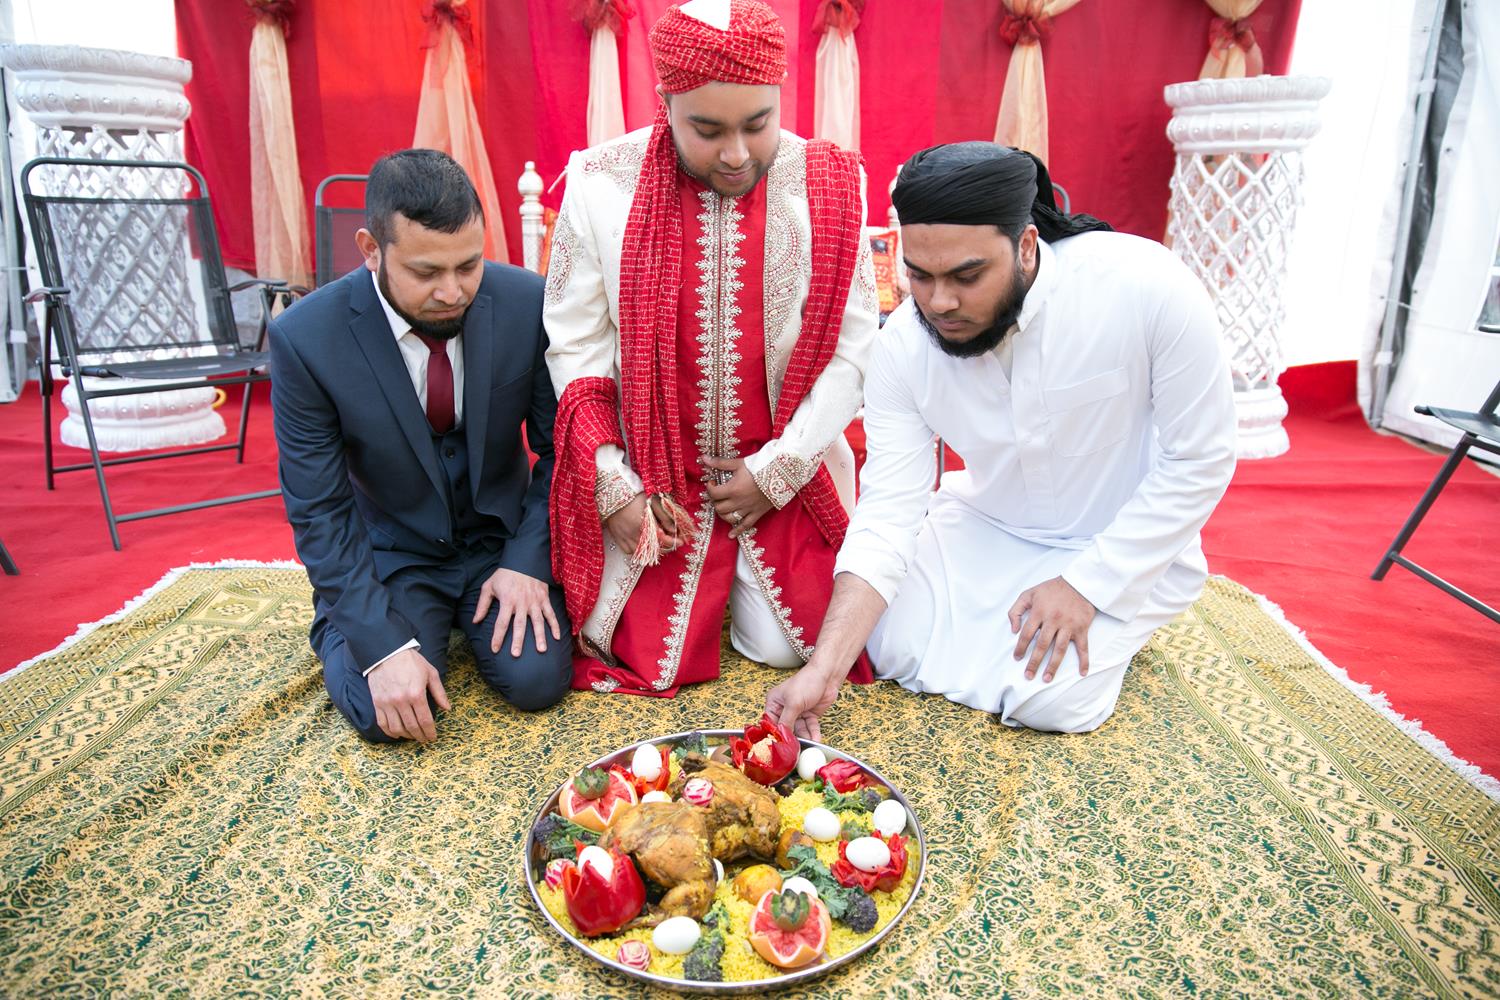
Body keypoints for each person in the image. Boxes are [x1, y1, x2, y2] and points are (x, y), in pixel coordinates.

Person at [765, 141, 1238, 739]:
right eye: (920, 275)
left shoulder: (1147, 287)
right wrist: (824, 671)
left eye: (967, 276)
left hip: (1116, 540)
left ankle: (1116, 622)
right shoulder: (903, 346)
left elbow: (1201, 458)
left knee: (1052, 704)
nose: (939, 303)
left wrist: (1088, 584)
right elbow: (888, 512)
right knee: (880, 645)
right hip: (984, 530)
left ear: (1025, 244)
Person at [545, 0, 880, 697]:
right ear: (665, 102)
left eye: (757, 124)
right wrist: (614, 486)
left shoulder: (830, 184)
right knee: (639, 650)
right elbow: (575, 348)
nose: (736, 153)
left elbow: (855, 348)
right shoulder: (602, 180)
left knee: (788, 649)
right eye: (708, 129)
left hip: (783, 476)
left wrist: (778, 470)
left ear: (780, 94)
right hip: (654, 486)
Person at [270, 148, 571, 743]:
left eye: (468, 265)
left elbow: (560, 448)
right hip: (395, 552)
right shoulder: (305, 340)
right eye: (426, 272)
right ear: (370, 249)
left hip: (497, 544)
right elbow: (320, 511)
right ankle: (339, 626)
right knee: (389, 716)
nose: (452, 291)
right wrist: (380, 648)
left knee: (539, 683)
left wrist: (526, 562)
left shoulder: (526, 303)